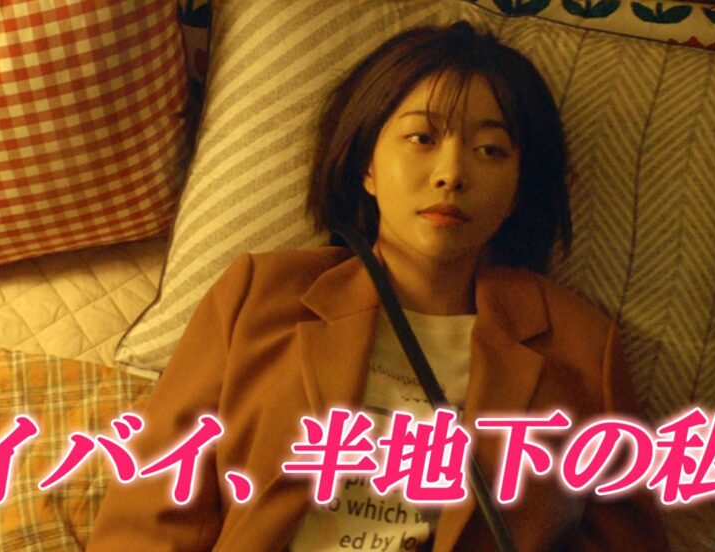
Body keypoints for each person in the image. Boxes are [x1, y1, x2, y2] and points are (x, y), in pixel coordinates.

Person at [88, 21, 669, 552]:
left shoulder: (581, 345)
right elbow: (148, 515)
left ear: (519, 188)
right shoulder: (260, 296)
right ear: (366, 164)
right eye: (422, 138)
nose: (451, 173)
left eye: (490, 150)